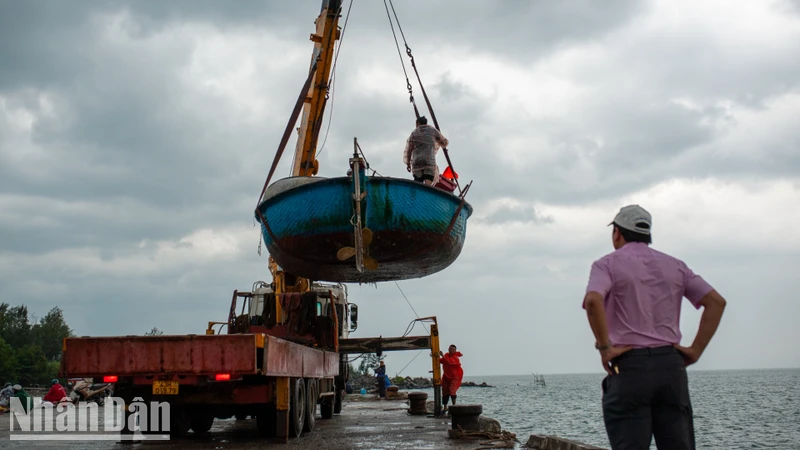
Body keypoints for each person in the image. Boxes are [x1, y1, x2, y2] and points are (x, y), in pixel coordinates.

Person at [583, 204, 727, 450]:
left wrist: (605, 347)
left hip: (629, 367)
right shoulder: (676, 266)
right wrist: (694, 351)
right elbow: (716, 302)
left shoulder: (606, 265)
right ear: (647, 233)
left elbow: (594, 300)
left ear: (617, 233)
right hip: (670, 367)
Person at [403, 116, 449, 185]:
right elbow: (444, 142)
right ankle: (426, 192)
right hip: (428, 160)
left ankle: (419, 193)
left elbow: (409, 150)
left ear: (418, 123)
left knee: (418, 181)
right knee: (428, 179)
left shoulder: (414, 133)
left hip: (417, 161)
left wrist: (408, 163)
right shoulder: (432, 130)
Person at [439, 344, 464, 414]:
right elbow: (441, 361)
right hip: (446, 377)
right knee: (445, 391)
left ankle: (454, 406)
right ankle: (445, 407)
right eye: (450, 349)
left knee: (452, 390)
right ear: (448, 349)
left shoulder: (455, 358)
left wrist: (442, 356)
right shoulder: (446, 356)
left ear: (455, 351)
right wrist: (435, 356)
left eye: (453, 349)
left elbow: (450, 362)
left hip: (454, 377)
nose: (451, 350)